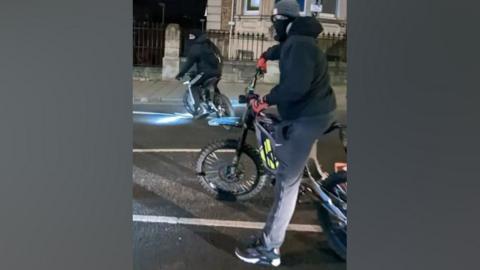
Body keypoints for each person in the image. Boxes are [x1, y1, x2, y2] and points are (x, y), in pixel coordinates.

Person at [234, 0, 338, 267]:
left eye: (276, 20)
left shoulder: (299, 44)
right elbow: (285, 49)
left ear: (285, 21)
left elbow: (294, 88)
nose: (273, 25)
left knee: (286, 184)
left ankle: (270, 249)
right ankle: (302, 168)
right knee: (285, 136)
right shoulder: (299, 39)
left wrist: (265, 99)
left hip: (309, 115)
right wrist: (267, 55)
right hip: (315, 110)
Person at [175, 30, 223, 118]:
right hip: (217, 71)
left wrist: (180, 74)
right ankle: (219, 100)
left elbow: (189, 63)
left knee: (192, 85)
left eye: (191, 37)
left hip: (205, 73)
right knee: (213, 84)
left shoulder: (196, 47)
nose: (190, 39)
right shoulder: (210, 44)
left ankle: (201, 108)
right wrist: (219, 69)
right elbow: (219, 56)